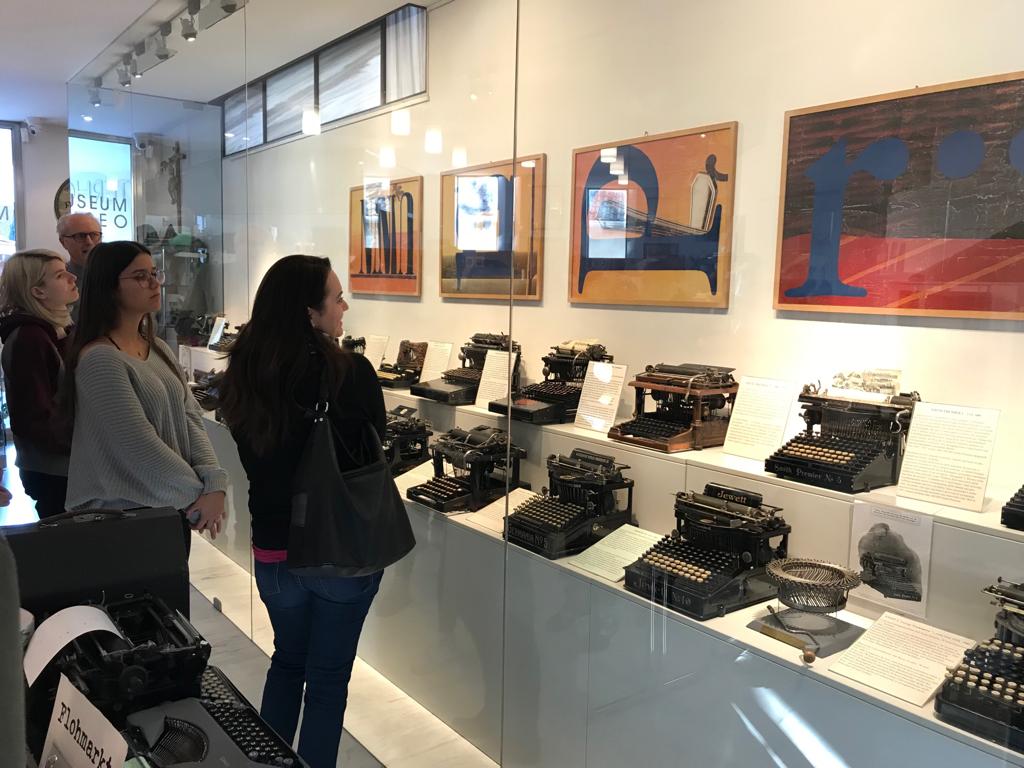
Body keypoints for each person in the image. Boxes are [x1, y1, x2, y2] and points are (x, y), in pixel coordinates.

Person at [216, 255, 385, 768]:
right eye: (336, 297)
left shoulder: (245, 373)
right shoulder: (350, 372)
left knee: (288, 661)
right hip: (338, 549)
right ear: (309, 311)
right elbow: (376, 445)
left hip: (273, 549)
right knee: (328, 680)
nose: (344, 306)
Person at [61, 241, 226, 552]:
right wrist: (199, 495)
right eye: (140, 276)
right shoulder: (100, 359)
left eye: (154, 273)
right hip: (124, 518)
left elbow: (190, 417)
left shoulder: (157, 347)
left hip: (166, 508)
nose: (154, 283)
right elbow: (137, 446)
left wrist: (213, 484)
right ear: (109, 287)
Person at [0, 249, 78, 518]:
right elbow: (35, 418)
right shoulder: (29, 338)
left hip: (63, 464)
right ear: (37, 291)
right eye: (60, 275)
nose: (72, 278)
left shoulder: (56, 332)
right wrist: (83, 446)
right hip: (55, 469)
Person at [56, 213, 102, 324]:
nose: (89, 242)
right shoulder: (57, 282)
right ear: (63, 242)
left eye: (94, 235)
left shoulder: (119, 275)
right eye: (80, 236)